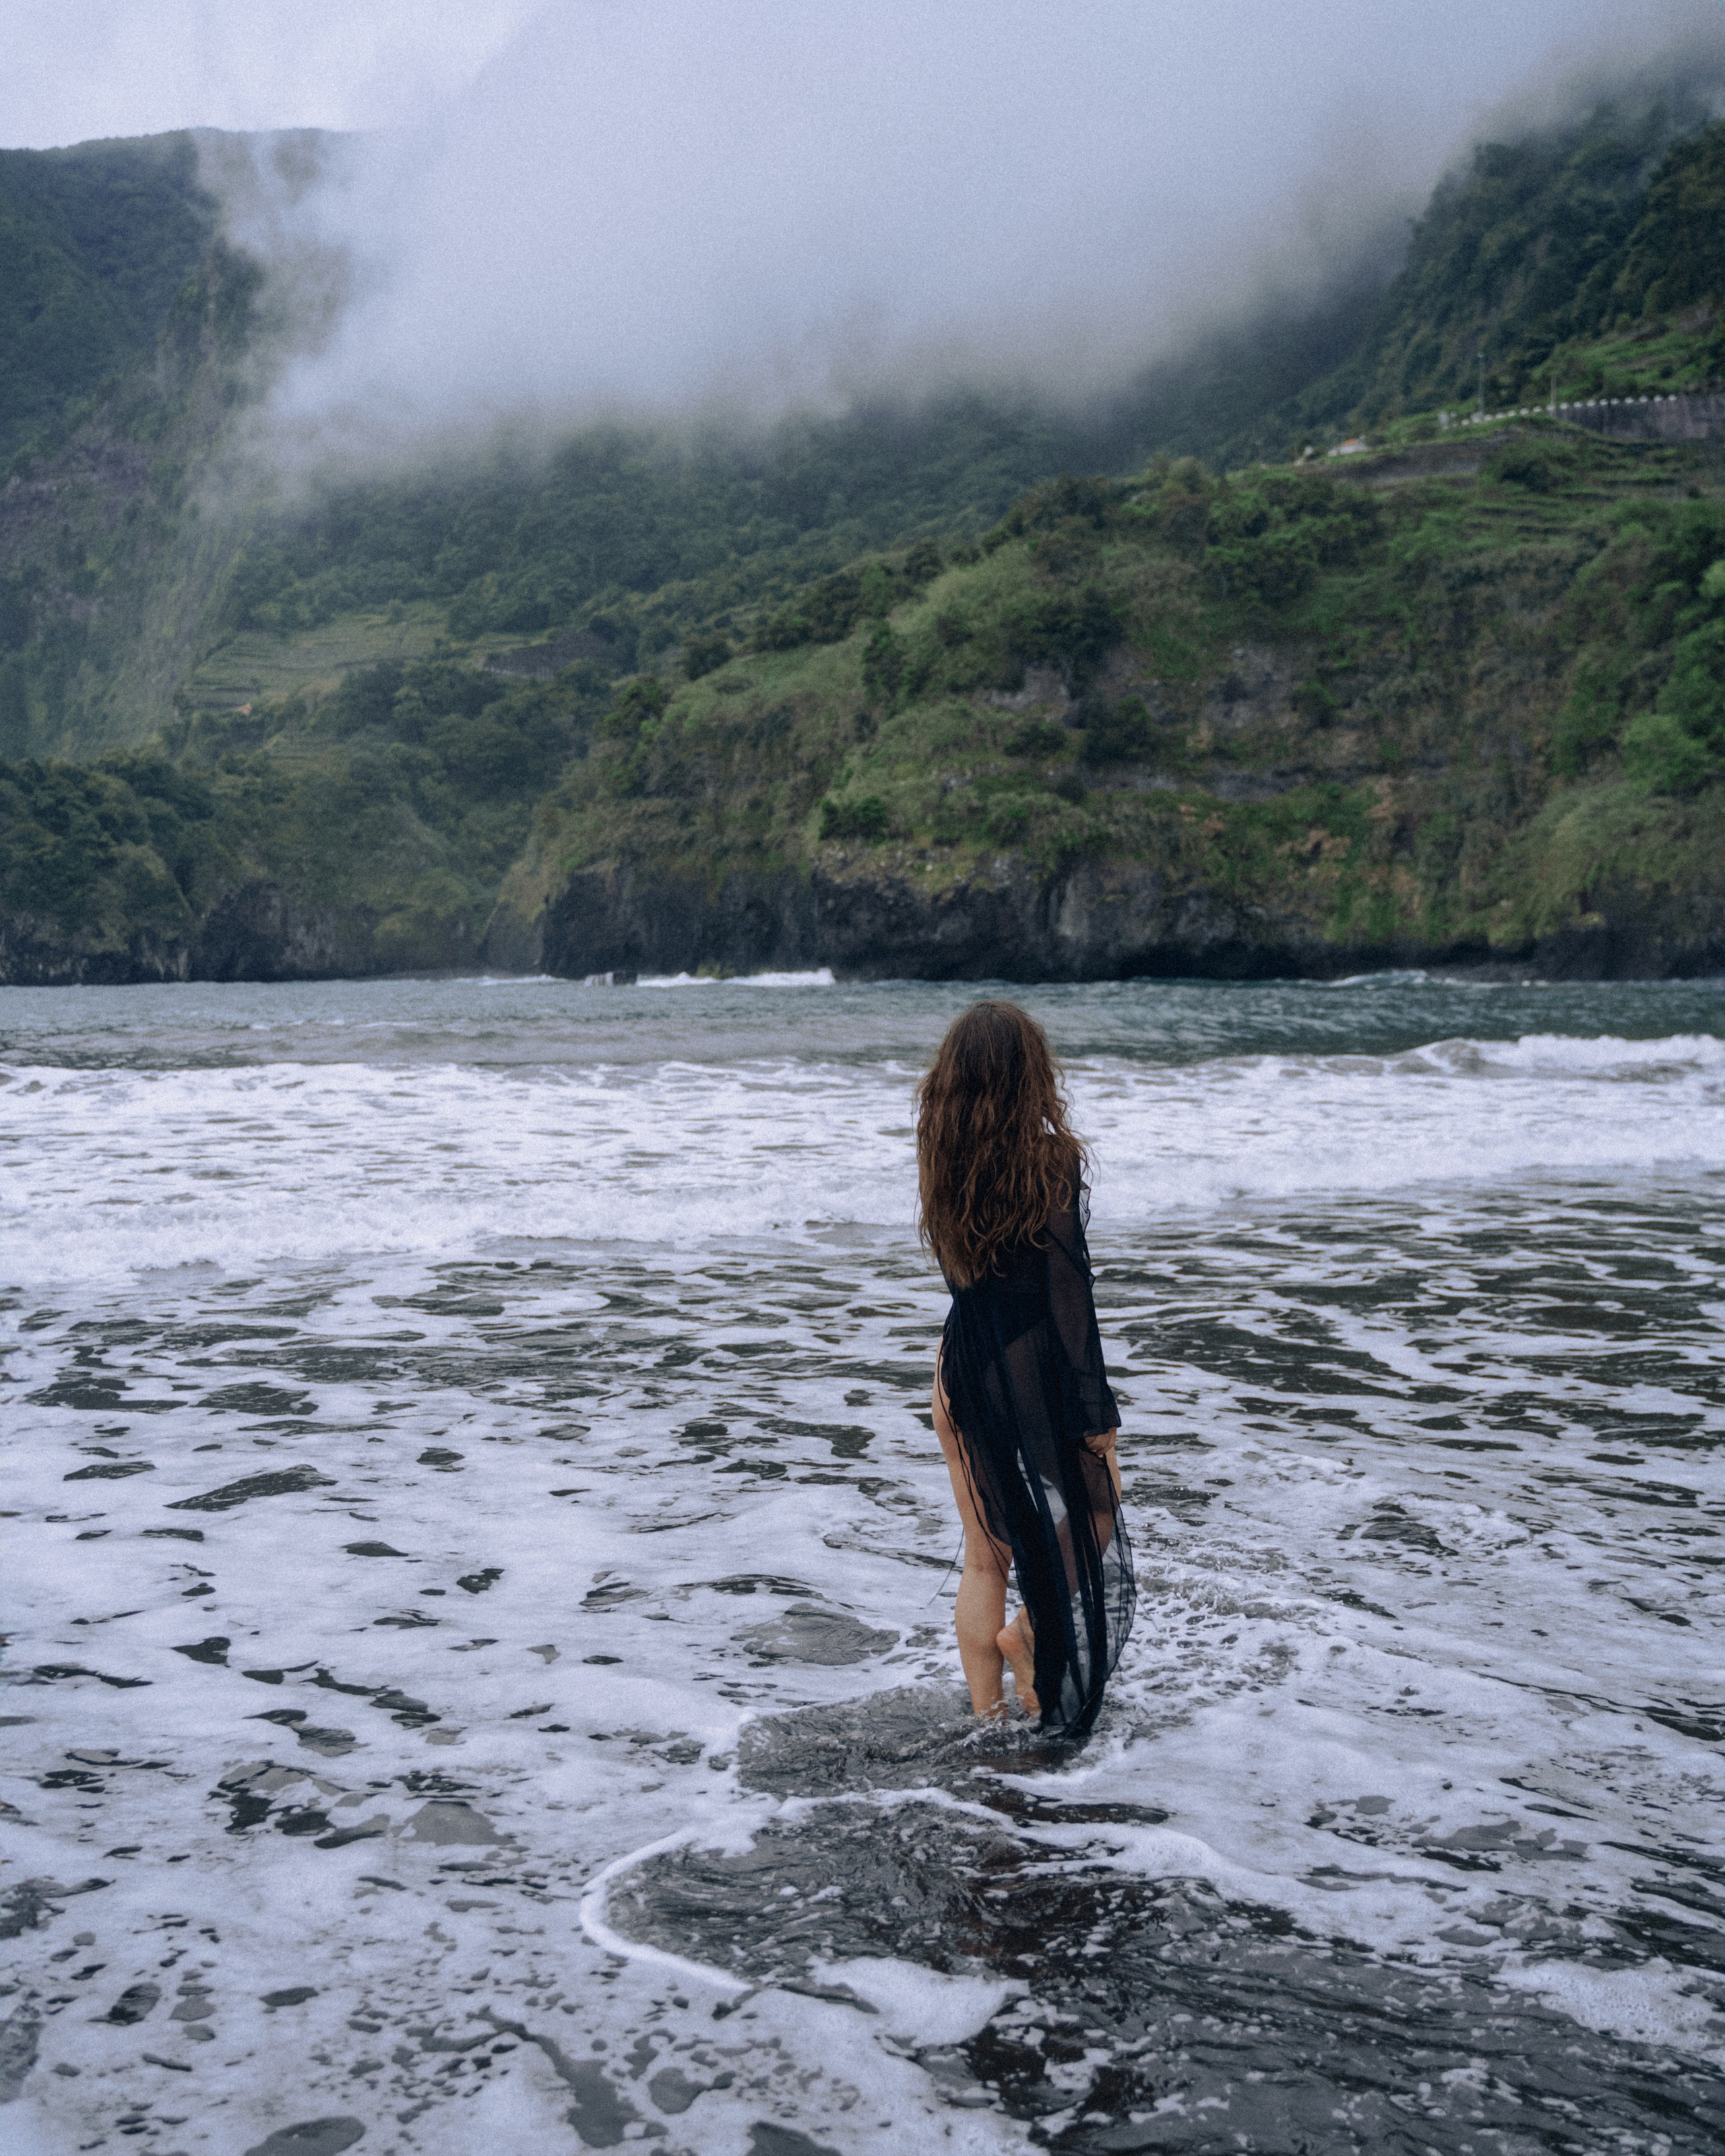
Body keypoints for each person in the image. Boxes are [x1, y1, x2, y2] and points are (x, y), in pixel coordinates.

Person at [918, 999, 1134, 1738]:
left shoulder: (937, 1145)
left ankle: (987, 1721)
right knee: (1097, 1508)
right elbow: (1069, 1293)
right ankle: (1032, 1635)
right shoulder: (1052, 1158)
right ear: (1029, 1074)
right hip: (1027, 1367)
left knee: (986, 1555)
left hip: (956, 1363)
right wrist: (1095, 1409)